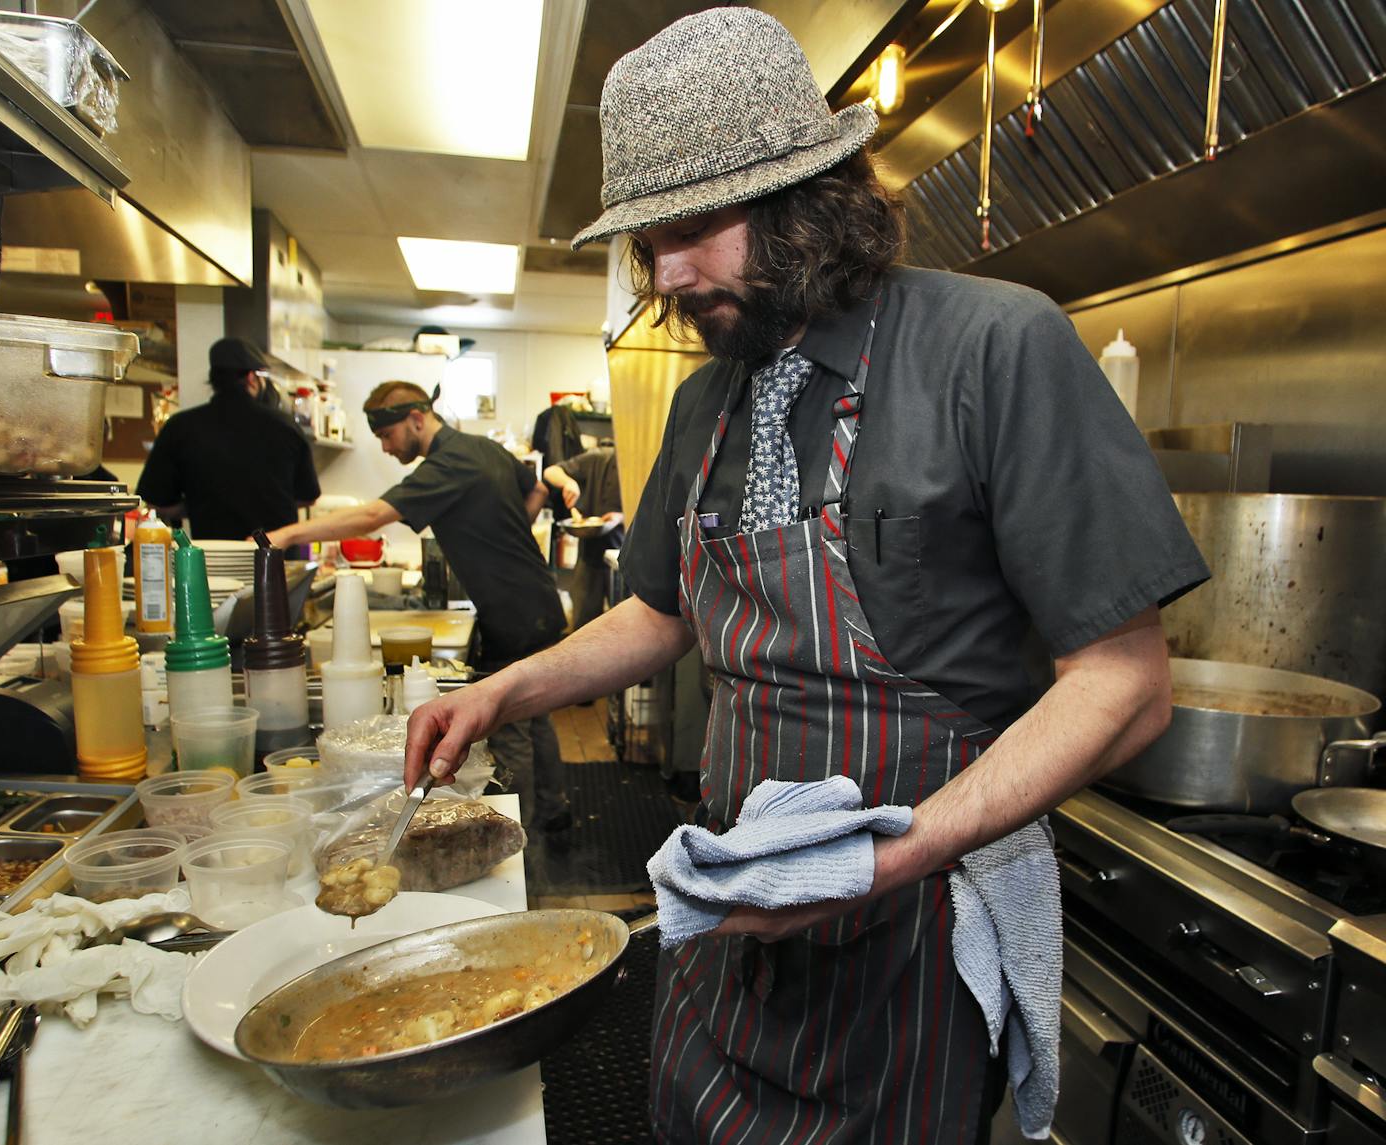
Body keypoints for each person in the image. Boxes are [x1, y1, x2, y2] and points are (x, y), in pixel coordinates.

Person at [401, 8, 1209, 1142]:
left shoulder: (992, 346)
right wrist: (505, 688)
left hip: (912, 929)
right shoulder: (703, 399)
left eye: (693, 227)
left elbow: (1121, 681)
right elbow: (656, 609)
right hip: (735, 905)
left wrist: (889, 856)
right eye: (649, 241)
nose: (667, 273)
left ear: (809, 201)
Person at [266, 381, 571, 835]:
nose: (386, 449)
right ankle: (554, 809)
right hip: (535, 597)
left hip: (512, 610)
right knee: (534, 711)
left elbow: (373, 518)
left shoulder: (447, 462)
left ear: (416, 419)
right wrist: (501, 537)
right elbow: (538, 493)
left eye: (388, 437)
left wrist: (288, 536)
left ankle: (520, 840)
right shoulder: (480, 448)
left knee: (511, 728)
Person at [137, 338, 319, 541]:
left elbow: (155, 501)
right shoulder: (285, 425)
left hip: (214, 558)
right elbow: (309, 496)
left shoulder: (180, 427)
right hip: (275, 560)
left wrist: (200, 505)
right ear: (251, 378)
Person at [541, 441, 624, 629]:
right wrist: (568, 482)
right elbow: (550, 471)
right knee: (583, 628)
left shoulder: (646, 463)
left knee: (623, 630)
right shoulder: (599, 457)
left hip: (627, 562)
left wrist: (622, 517)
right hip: (590, 556)